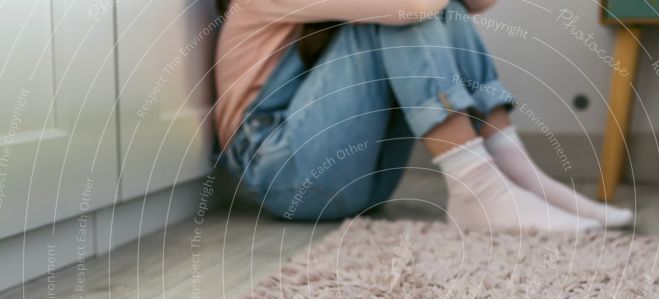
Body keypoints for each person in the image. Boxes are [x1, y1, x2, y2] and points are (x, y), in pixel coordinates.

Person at [214, 0, 633, 232]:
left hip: (363, 182)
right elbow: (412, 7)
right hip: (285, 177)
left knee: (443, 8)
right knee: (404, 14)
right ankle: (478, 188)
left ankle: (518, 175)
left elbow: (477, 3)